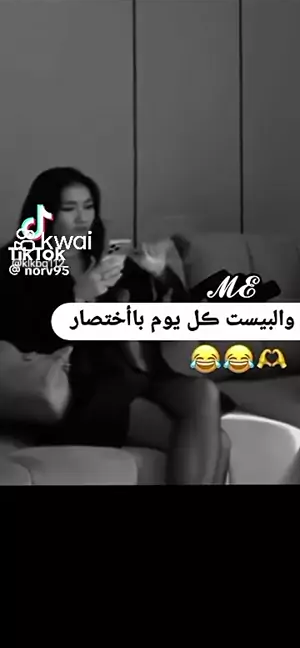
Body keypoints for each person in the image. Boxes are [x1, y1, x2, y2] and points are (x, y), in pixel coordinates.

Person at [0, 167, 230, 485]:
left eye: (88, 207)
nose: (82, 218)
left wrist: (160, 273)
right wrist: (77, 298)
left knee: (203, 391)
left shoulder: (102, 255)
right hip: (80, 388)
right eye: (69, 208)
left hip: (132, 375)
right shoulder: (16, 262)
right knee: (219, 444)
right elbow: (22, 336)